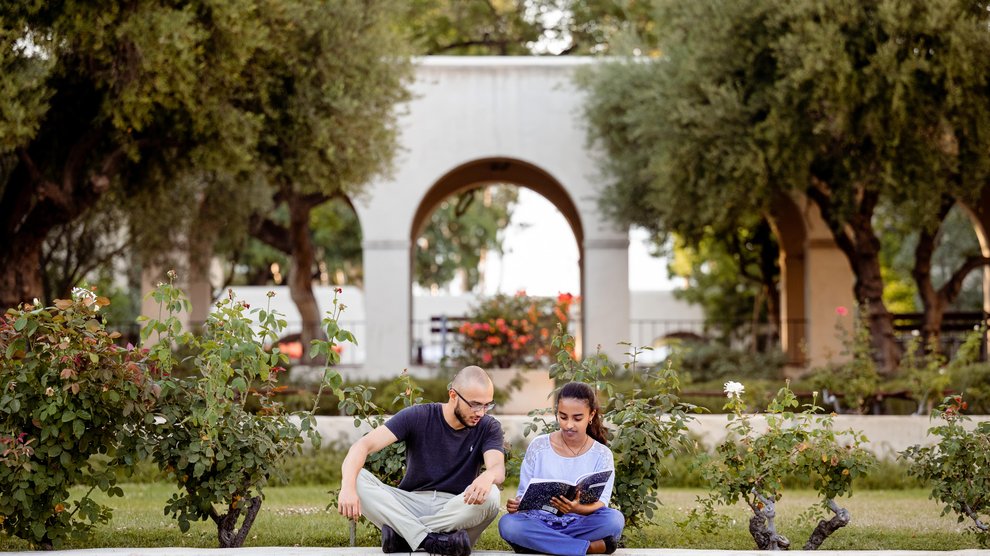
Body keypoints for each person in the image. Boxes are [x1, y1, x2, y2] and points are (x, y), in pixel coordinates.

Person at [338, 366, 505, 556]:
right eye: (475, 404)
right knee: (355, 477)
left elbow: (497, 468)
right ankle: (434, 541)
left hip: (457, 508)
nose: (481, 412)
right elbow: (362, 446)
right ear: (453, 395)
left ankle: (406, 538)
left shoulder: (488, 427)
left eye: (487, 405)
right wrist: (347, 488)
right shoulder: (419, 416)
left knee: (492, 495)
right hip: (411, 503)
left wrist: (488, 475)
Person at [498, 382, 624, 555]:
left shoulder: (602, 454)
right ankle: (588, 548)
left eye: (577, 418)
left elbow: (601, 503)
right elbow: (524, 494)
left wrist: (575, 508)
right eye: (563, 417)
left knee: (614, 519)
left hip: (580, 522)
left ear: (591, 415)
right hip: (540, 520)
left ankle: (538, 544)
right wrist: (517, 504)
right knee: (508, 524)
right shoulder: (538, 446)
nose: (568, 425)